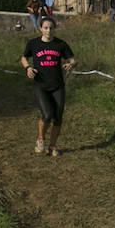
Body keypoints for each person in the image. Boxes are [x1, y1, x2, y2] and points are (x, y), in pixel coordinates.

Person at [20, 16, 76, 157]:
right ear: (40, 29)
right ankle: (40, 138)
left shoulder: (61, 44)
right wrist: (27, 68)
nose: (48, 30)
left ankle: (52, 146)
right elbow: (23, 57)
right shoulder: (33, 44)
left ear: (54, 29)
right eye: (45, 28)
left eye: (51, 28)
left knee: (58, 117)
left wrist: (71, 64)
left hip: (58, 85)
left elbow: (73, 59)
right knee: (47, 114)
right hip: (41, 85)